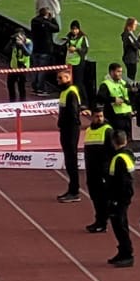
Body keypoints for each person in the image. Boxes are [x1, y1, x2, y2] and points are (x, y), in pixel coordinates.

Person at [104, 129, 138, 268]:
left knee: (120, 225)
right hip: (123, 197)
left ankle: (127, 254)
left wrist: (115, 199)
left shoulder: (119, 159)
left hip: (119, 198)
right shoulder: (127, 155)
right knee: (120, 225)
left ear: (113, 142)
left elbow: (121, 181)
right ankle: (123, 251)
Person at [82, 104, 114, 233]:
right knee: (95, 197)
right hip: (92, 171)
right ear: (92, 117)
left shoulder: (108, 130)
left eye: (101, 116)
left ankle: (102, 222)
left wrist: (108, 171)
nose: (99, 118)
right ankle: (99, 220)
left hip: (103, 171)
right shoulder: (89, 131)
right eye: (97, 116)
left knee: (102, 198)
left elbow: (113, 151)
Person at [55, 67, 84, 201]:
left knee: (71, 160)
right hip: (66, 129)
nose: (58, 80)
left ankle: (74, 191)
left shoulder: (71, 92)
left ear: (68, 78)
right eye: (58, 78)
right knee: (69, 160)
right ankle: (72, 189)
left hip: (70, 129)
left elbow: (73, 113)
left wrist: (68, 126)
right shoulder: (64, 92)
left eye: (61, 78)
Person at [102, 61, 135, 140]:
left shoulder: (123, 83)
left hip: (126, 116)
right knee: (116, 139)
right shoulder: (105, 84)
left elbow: (128, 97)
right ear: (111, 72)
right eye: (118, 71)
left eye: (121, 71)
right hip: (114, 117)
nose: (120, 74)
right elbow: (100, 98)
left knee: (126, 139)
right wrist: (113, 99)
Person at [65, 19, 95, 101]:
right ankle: (72, 99)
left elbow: (85, 50)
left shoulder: (83, 38)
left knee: (79, 83)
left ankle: (83, 100)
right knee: (70, 82)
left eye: (76, 29)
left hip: (79, 63)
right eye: (73, 29)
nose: (74, 31)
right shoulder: (68, 37)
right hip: (69, 63)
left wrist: (76, 49)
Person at [121, 17, 140, 84]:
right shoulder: (128, 35)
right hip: (130, 59)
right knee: (131, 77)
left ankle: (129, 87)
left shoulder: (129, 34)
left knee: (131, 76)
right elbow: (137, 46)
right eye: (134, 24)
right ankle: (129, 89)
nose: (136, 26)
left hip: (130, 58)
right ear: (130, 25)